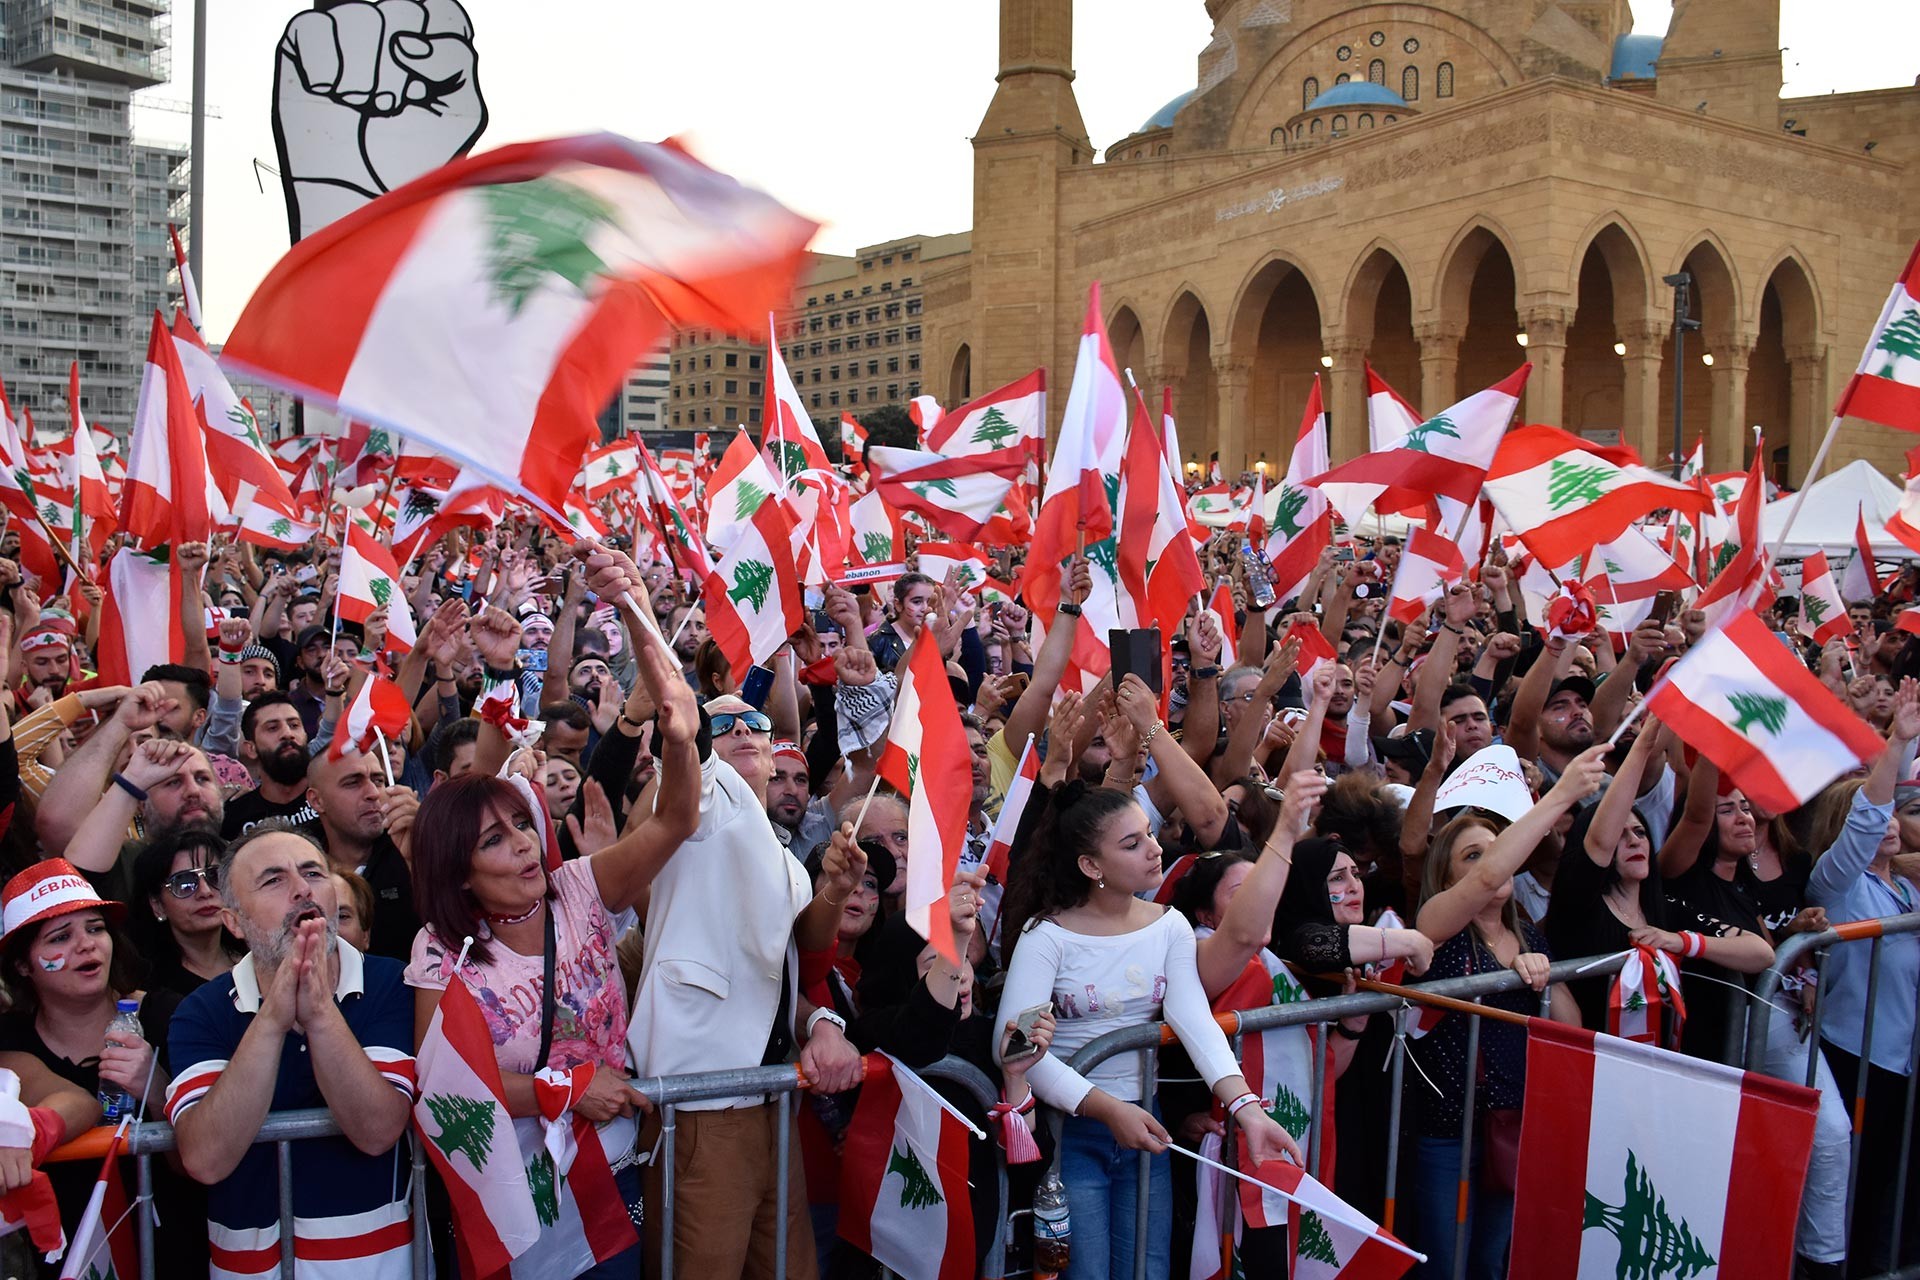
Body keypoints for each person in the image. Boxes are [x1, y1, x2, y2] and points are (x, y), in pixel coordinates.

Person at [567, 545, 862, 1280]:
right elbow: (677, 711)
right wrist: (638, 607)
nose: (732, 732)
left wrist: (830, 889)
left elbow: (806, 949)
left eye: (748, 728)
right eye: (717, 728)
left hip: (771, 1098)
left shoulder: (776, 843)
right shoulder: (703, 800)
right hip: (703, 1105)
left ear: (773, 750)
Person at [997, 782, 1301, 1280]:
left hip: (1146, 1125)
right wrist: (1107, 1109)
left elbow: (1193, 1019)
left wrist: (1248, 1110)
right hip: (1072, 1136)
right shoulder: (1044, 937)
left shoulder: (1170, 925)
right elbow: (1016, 1047)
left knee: (1150, 1269)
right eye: (1131, 843)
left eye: (1148, 834)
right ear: (1090, 866)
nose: (1155, 847)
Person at [167, 823, 417, 1279]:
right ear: (233, 921)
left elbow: (379, 1129)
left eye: (314, 874)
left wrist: (320, 1012)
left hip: (382, 1268)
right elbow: (204, 1158)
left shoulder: (392, 983)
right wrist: (272, 1020)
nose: (303, 890)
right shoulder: (199, 1012)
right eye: (274, 880)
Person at [1409, 748, 1603, 1280]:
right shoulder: (1435, 924)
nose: (1495, 864)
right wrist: (1561, 796)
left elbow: (1570, 1027)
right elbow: (1481, 883)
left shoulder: (1528, 932)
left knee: (1491, 1264)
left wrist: (1543, 975)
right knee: (1445, 1266)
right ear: (1447, 875)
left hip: (1510, 1125)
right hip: (1448, 1129)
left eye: (1498, 852)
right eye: (1472, 855)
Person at [1806, 682, 1920, 1273]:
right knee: (1859, 1183)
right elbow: (1863, 825)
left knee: (1895, 1187)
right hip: (1857, 1055)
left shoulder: (1904, 887)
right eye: (1874, 817)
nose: (1889, 824)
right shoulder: (1837, 883)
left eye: (1896, 816)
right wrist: (1895, 745)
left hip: (1903, 1060)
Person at [304, 748, 420, 961]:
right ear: (316, 800)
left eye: (378, 780)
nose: (373, 793)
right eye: (352, 783)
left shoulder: (414, 841)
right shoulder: (298, 860)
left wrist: (425, 853)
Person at [131, 822, 243, 997]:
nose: (205, 891)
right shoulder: (151, 990)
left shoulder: (258, 956)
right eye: (184, 883)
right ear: (157, 905)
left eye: (215, 876)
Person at [224, 692, 318, 837]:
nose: (287, 733)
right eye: (272, 728)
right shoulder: (234, 816)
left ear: (305, 735)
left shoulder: (332, 797)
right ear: (251, 748)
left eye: (294, 725)